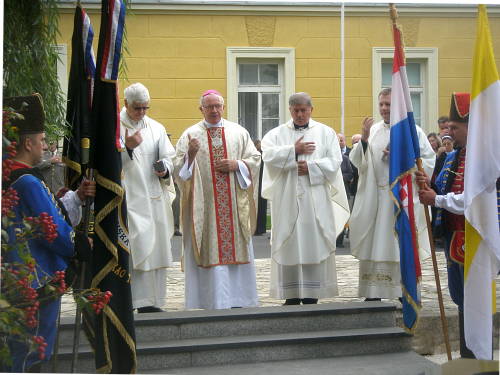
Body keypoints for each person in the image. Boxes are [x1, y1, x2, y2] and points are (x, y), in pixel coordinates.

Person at [2, 94, 93, 372]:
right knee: (32, 352)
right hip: (35, 279)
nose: (45, 145)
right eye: (42, 140)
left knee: (17, 348)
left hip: (13, 277)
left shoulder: (9, 176)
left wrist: (75, 198)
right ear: (28, 143)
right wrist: (78, 244)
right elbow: (51, 229)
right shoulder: (27, 181)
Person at [173, 89, 261, 310]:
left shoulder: (238, 132)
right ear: (200, 109)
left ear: (223, 107)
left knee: (236, 248)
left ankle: (239, 299)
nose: (213, 110)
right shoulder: (190, 135)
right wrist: (190, 155)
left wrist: (238, 165)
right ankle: (211, 300)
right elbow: (178, 171)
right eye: (209, 106)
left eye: (217, 106)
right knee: (209, 250)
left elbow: (255, 159)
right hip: (206, 209)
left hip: (233, 207)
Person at [261, 92, 350, 305]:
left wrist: (310, 168)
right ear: (290, 110)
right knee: (289, 239)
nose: (300, 114)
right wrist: (293, 151)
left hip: (314, 199)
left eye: (304, 110)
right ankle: (290, 294)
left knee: (313, 239)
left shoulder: (326, 133)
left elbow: (335, 161)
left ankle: (312, 293)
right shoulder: (276, 134)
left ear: (311, 109)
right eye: (296, 110)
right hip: (287, 198)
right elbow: (268, 156)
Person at [349, 88, 435, 301]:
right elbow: (358, 162)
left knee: (399, 244)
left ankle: (401, 291)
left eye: (389, 104)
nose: (384, 109)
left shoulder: (413, 131)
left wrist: (402, 159)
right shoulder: (374, 130)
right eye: (382, 104)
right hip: (376, 200)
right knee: (374, 242)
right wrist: (365, 140)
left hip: (401, 200)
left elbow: (429, 163)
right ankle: (373, 291)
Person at [416, 92, 475, 359]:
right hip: (453, 237)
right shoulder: (452, 157)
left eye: (454, 127)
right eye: (447, 127)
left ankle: (474, 355)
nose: (447, 131)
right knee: (460, 298)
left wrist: (436, 198)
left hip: (477, 237)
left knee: (476, 300)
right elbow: (442, 188)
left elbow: (473, 199)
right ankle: (467, 355)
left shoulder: (484, 158)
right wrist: (428, 187)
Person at [120, 83, 176, 313]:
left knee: (157, 248)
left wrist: (165, 168)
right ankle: (130, 301)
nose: (142, 112)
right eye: (137, 108)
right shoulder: (114, 126)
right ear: (126, 104)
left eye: (145, 108)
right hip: (129, 198)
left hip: (153, 196)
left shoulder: (156, 127)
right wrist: (127, 149)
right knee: (136, 247)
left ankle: (152, 301)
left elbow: (169, 156)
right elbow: (104, 161)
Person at [253, 139, 267, 235]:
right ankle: (257, 228)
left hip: (262, 183)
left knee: (262, 207)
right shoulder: (254, 156)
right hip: (257, 183)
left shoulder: (264, 156)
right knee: (256, 206)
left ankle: (261, 228)